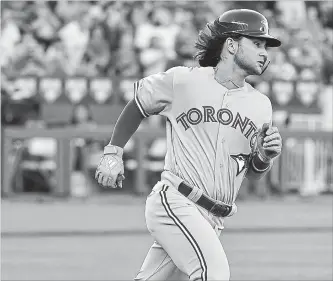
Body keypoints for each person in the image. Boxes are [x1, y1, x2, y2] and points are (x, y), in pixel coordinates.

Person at [95, 9, 283, 281]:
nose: (264, 52)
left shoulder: (261, 105)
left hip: (214, 218)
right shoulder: (184, 80)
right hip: (176, 201)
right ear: (231, 45)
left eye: (265, 46)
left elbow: (250, 170)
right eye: (256, 43)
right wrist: (113, 152)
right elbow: (138, 103)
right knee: (213, 273)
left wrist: (264, 157)